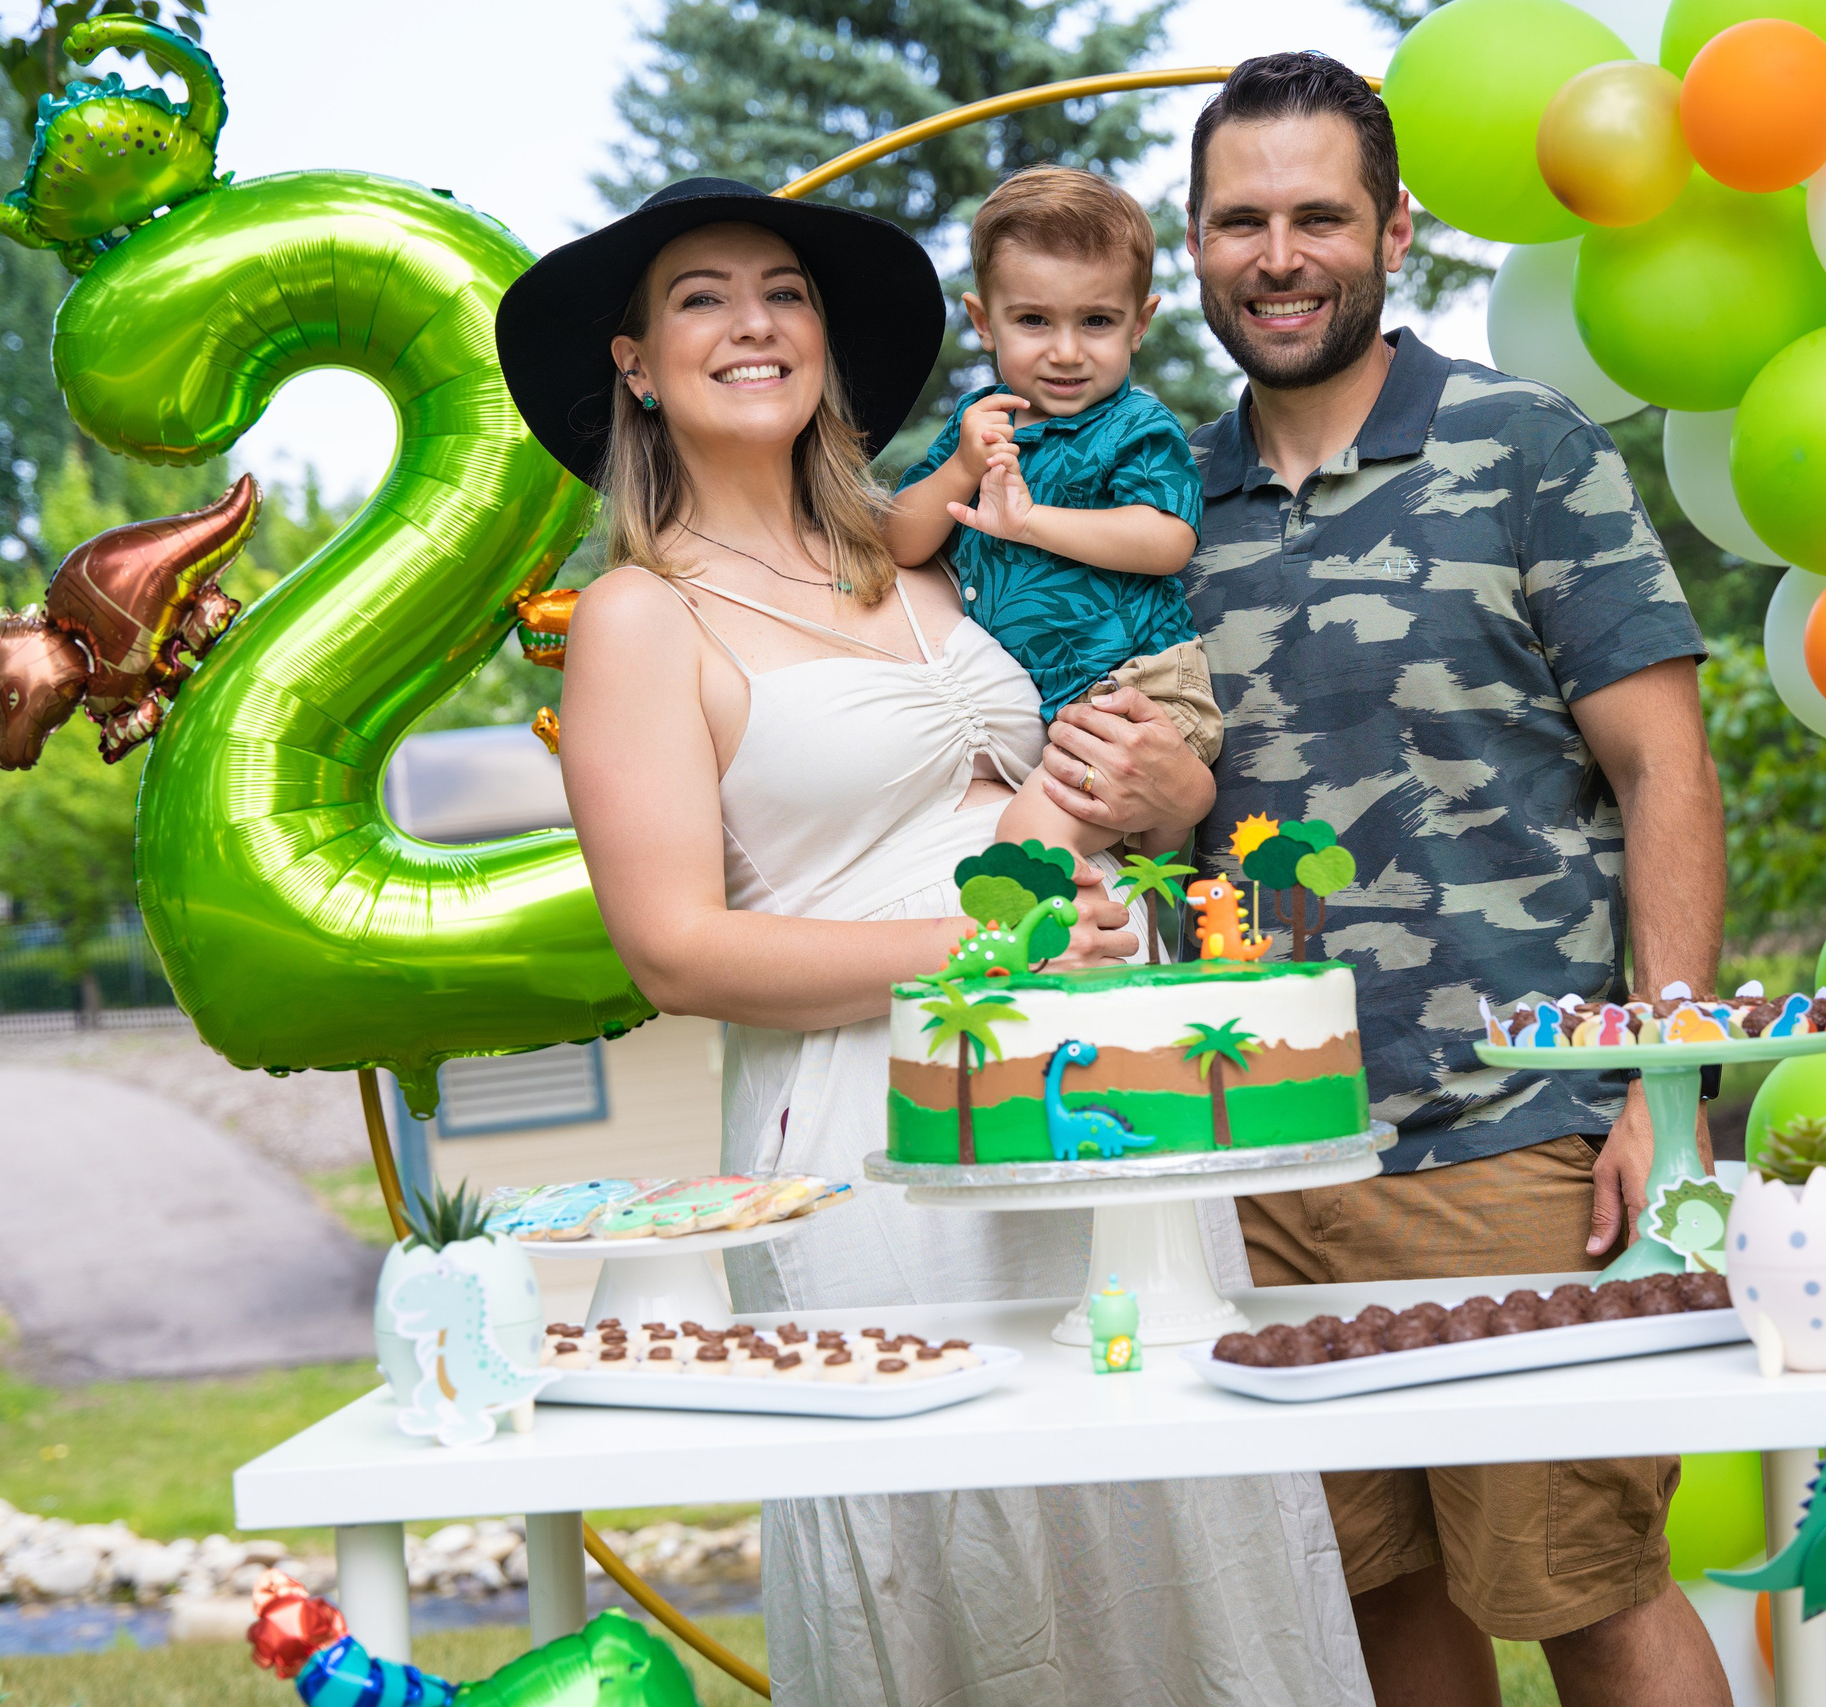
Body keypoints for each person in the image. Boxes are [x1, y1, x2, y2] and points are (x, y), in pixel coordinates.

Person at [497, 177, 1368, 1707]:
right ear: (634, 360)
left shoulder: (925, 561)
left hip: (1092, 1089)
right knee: (967, 1550)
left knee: (1168, 1520)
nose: (755, 320)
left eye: (784, 290)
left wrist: (1165, 804)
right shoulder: (642, 615)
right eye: (701, 296)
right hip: (869, 1132)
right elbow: (678, 954)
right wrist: (986, 946)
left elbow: (1064, 793)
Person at [1180, 55, 1734, 1707]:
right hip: (1259, 1166)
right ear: (1195, 244)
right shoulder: (1155, 512)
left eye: (1317, 217)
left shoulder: (1521, 449)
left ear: (1395, 229)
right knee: (1370, 1601)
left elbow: (1667, 774)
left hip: (1516, 1134)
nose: (1279, 255)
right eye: (1240, 221)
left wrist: (1664, 1082)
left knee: (1586, 1587)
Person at [887, 165, 1221, 857]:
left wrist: (1030, 520)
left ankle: (1039, 959)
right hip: (1051, 707)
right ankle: (1105, 948)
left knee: (1029, 840)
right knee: (1113, 869)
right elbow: (900, 540)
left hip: (1138, 691)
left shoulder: (1135, 425)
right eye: (1033, 320)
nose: (1066, 352)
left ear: (1139, 325)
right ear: (984, 321)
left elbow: (1166, 539)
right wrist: (960, 467)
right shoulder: (978, 428)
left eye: (1096, 321)